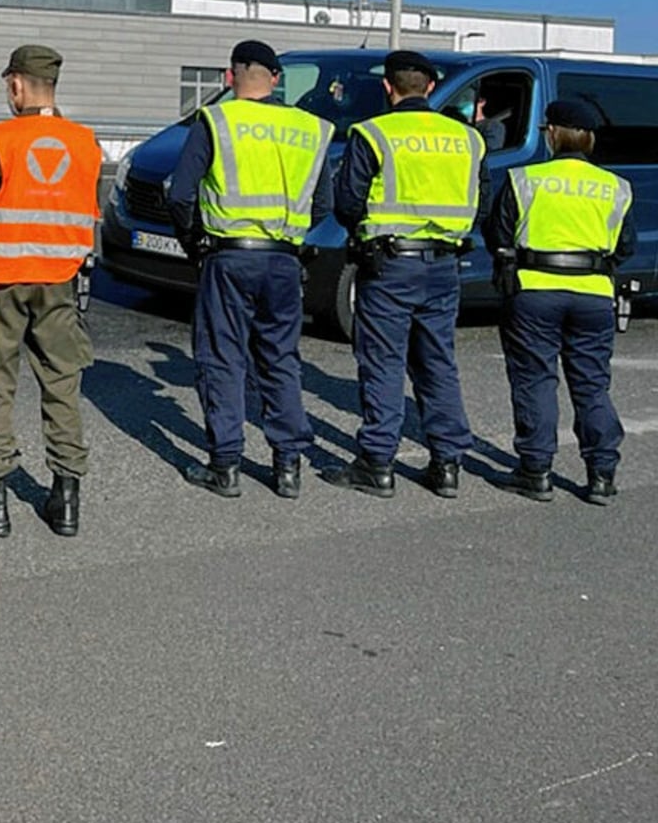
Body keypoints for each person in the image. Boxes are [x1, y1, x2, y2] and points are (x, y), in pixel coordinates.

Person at [165, 40, 334, 498]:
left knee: (222, 357)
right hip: (283, 259)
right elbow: (323, 206)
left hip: (229, 256)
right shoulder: (311, 129)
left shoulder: (217, 120)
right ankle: (287, 466)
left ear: (229, 77)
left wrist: (194, 241)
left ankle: (225, 465)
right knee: (279, 359)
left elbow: (179, 194)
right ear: (277, 80)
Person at [0, 45, 101, 538]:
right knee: (62, 383)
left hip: (2, 280)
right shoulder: (86, 142)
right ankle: (66, 500)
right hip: (61, 280)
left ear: (16, 85)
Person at [322, 50, 486, 498]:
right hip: (445, 265)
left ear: (388, 87)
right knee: (438, 363)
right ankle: (447, 464)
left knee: (384, 363)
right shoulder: (467, 138)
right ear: (430, 88)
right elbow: (481, 198)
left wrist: (366, 232)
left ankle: (377, 463)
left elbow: (347, 201)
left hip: (390, 264)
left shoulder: (374, 133)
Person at [484, 99, 635, 503]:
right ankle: (602, 474)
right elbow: (625, 246)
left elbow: (498, 235)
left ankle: (535, 472)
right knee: (591, 385)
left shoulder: (524, 179)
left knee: (536, 380)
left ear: (552, 133)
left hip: (534, 291)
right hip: (594, 294)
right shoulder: (616, 187)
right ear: (589, 139)